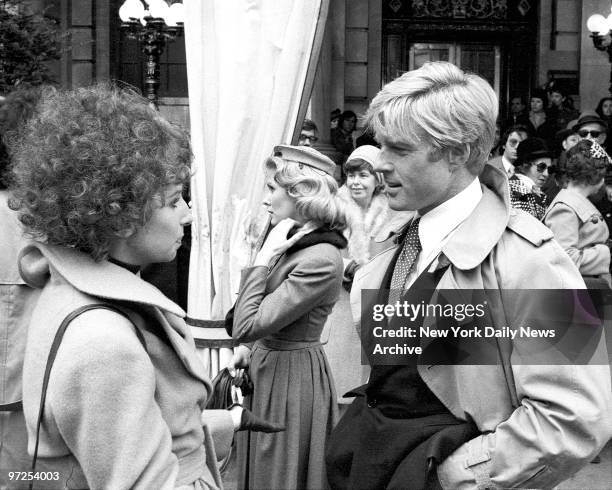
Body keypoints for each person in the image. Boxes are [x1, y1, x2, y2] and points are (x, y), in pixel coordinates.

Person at [325, 61, 611, 489]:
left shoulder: (535, 260)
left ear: (458, 152)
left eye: (398, 150)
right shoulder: (398, 240)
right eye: (379, 146)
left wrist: (456, 475)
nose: (379, 164)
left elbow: (575, 416)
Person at [9, 85, 280, 489]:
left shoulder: (72, 292)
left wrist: (217, 424)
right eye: (174, 201)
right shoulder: (104, 341)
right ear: (119, 214)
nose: (187, 215)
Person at [229, 145, 348, 490]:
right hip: (270, 367)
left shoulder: (320, 258)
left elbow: (245, 324)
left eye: (271, 189)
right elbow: (248, 324)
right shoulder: (295, 245)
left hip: (291, 378)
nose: (265, 199)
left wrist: (263, 257)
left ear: (300, 195)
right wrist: (249, 347)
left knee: (278, 472)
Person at [325, 145, 410, 406]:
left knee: (366, 393)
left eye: (363, 175)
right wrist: (346, 266)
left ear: (377, 179)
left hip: (374, 312)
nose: (355, 182)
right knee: (334, 387)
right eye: (351, 176)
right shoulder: (332, 212)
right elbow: (320, 251)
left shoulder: (397, 214)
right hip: (337, 309)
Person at [544, 140, 612, 288]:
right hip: (581, 291)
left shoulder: (576, 202)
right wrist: (607, 253)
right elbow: (565, 258)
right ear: (595, 176)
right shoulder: (565, 207)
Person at [508, 137, 552, 220]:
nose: (546, 174)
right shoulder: (511, 192)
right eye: (541, 167)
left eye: (550, 169)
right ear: (524, 165)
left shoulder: (539, 195)